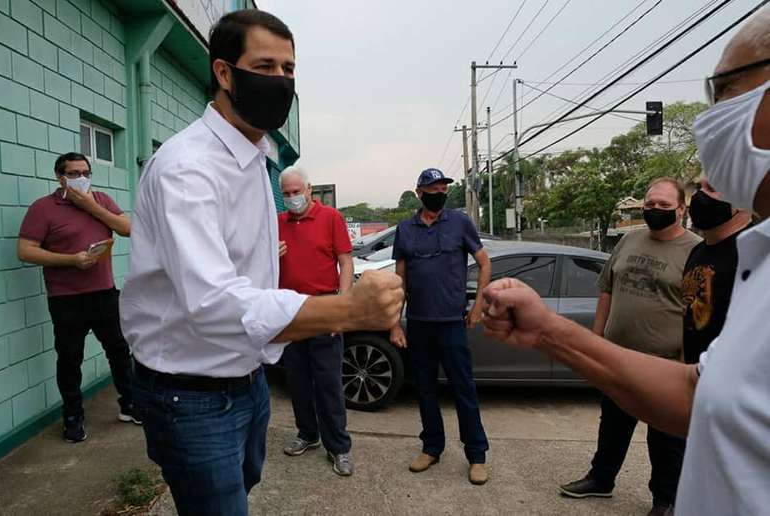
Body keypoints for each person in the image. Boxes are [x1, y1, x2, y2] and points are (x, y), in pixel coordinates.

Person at [481, 7, 770, 515]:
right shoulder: (750, 257)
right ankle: (603, 477)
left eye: (725, 91)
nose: (712, 117)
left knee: (667, 454)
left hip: (665, 362)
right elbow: (700, 398)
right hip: (641, 368)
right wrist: (555, 331)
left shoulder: (716, 252)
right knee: (612, 437)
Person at [120, 10, 403, 516]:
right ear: (225, 73)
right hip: (193, 395)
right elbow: (212, 302)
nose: (280, 81)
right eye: (265, 66)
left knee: (240, 493)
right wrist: (347, 312)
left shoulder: (255, 161)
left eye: (289, 70)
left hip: (247, 380)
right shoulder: (189, 168)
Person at [559, 178, 700, 516]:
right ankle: (601, 479)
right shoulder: (628, 239)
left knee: (666, 438)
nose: (655, 211)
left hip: (665, 365)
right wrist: (595, 342)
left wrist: (686, 365)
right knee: (612, 425)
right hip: (618, 357)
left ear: (681, 209)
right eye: (650, 205)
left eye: (664, 206)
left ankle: (665, 500)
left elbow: (697, 311)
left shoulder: (696, 250)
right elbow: (606, 289)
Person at [17, 152, 136, 443]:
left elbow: (128, 228)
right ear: (59, 177)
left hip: (104, 293)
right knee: (70, 359)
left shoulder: (102, 200)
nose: (81, 178)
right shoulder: (43, 208)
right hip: (66, 298)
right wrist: (71, 260)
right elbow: (26, 250)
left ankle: (130, 404)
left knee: (119, 351)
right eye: (73, 174)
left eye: (85, 172)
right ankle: (73, 417)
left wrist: (91, 206)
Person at [390, 168, 492, 485]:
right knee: (425, 390)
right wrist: (394, 323)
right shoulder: (405, 229)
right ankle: (432, 447)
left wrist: (478, 306)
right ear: (420, 193)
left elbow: (485, 262)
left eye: (443, 187)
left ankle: (476, 455)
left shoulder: (459, 222)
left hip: (452, 324)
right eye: (433, 188)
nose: (440, 192)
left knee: (464, 390)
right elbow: (399, 281)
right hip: (419, 324)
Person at [277, 166, 355, 476]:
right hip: (289, 309)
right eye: (286, 194)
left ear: (310, 189)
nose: (292, 198)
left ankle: (338, 447)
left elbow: (345, 262)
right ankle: (307, 434)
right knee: (296, 379)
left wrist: (341, 305)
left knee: (328, 382)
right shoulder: (277, 224)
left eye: (297, 192)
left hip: (323, 305)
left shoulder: (330, 218)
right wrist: (270, 254)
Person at [682, 178, 752, 364]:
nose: (700, 195)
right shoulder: (697, 251)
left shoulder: (754, 254)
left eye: (713, 188)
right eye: (699, 188)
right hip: (692, 380)